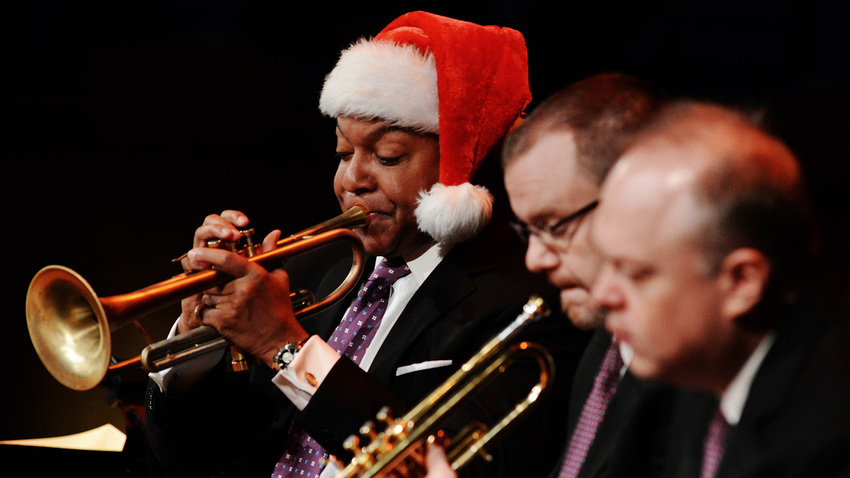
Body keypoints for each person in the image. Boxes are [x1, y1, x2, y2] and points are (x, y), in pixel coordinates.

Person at [144, 11, 584, 478]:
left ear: (459, 162)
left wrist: (285, 346)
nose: (352, 180)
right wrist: (196, 340)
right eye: (342, 153)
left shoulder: (532, 298)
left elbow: (454, 465)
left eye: (386, 155)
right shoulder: (313, 272)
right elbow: (187, 462)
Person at [590, 100, 850, 477]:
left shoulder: (830, 433)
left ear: (742, 281)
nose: (602, 295)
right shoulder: (698, 361)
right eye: (605, 263)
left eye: (635, 273)